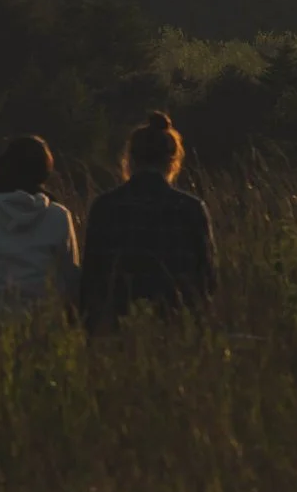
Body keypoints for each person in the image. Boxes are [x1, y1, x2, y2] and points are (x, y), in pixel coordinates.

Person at [79, 110, 215, 330]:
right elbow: (206, 279)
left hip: (117, 326)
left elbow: (91, 277)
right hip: (177, 324)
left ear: (130, 159)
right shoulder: (191, 208)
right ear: (173, 160)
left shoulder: (105, 206)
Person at [0, 134, 80, 325]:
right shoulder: (58, 217)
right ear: (44, 173)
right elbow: (70, 279)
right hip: (45, 327)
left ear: (2, 167)